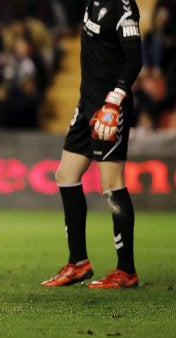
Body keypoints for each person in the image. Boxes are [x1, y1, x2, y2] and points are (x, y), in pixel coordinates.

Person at [42, 0, 142, 288]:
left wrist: (114, 101)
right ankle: (78, 263)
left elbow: (135, 58)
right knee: (66, 175)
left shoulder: (123, 8)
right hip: (86, 103)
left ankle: (126, 271)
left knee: (112, 182)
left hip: (109, 106)